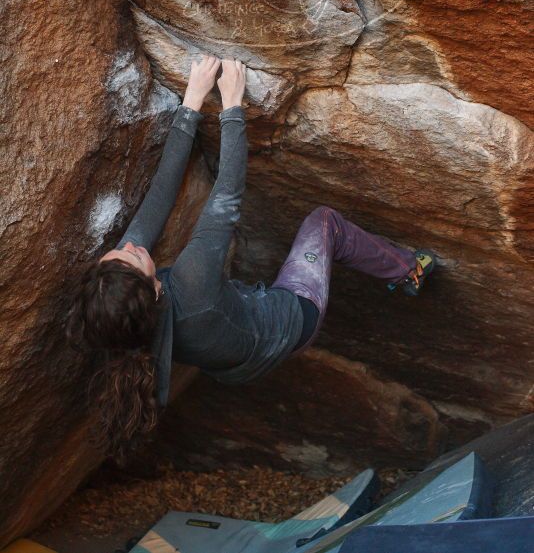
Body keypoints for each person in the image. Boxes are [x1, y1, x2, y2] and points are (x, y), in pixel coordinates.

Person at [67, 55, 435, 459]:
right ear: (153, 290)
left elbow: (158, 198)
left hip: (235, 358)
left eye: (115, 253)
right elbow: (227, 193)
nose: (131, 246)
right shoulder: (191, 283)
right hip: (292, 319)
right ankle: (408, 270)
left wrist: (191, 101)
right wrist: (232, 105)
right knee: (325, 222)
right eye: (134, 258)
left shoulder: (120, 321)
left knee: (230, 301)